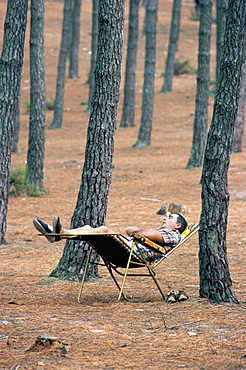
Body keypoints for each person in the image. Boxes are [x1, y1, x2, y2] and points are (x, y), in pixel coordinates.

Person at [33, 212, 187, 263]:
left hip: (132, 255)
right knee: (88, 229)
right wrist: (142, 231)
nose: (166, 218)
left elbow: (144, 234)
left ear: (177, 225)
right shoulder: (160, 232)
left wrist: (143, 232)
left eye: (170, 217)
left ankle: (60, 234)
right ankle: (58, 233)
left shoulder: (173, 235)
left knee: (103, 230)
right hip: (127, 248)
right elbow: (129, 230)